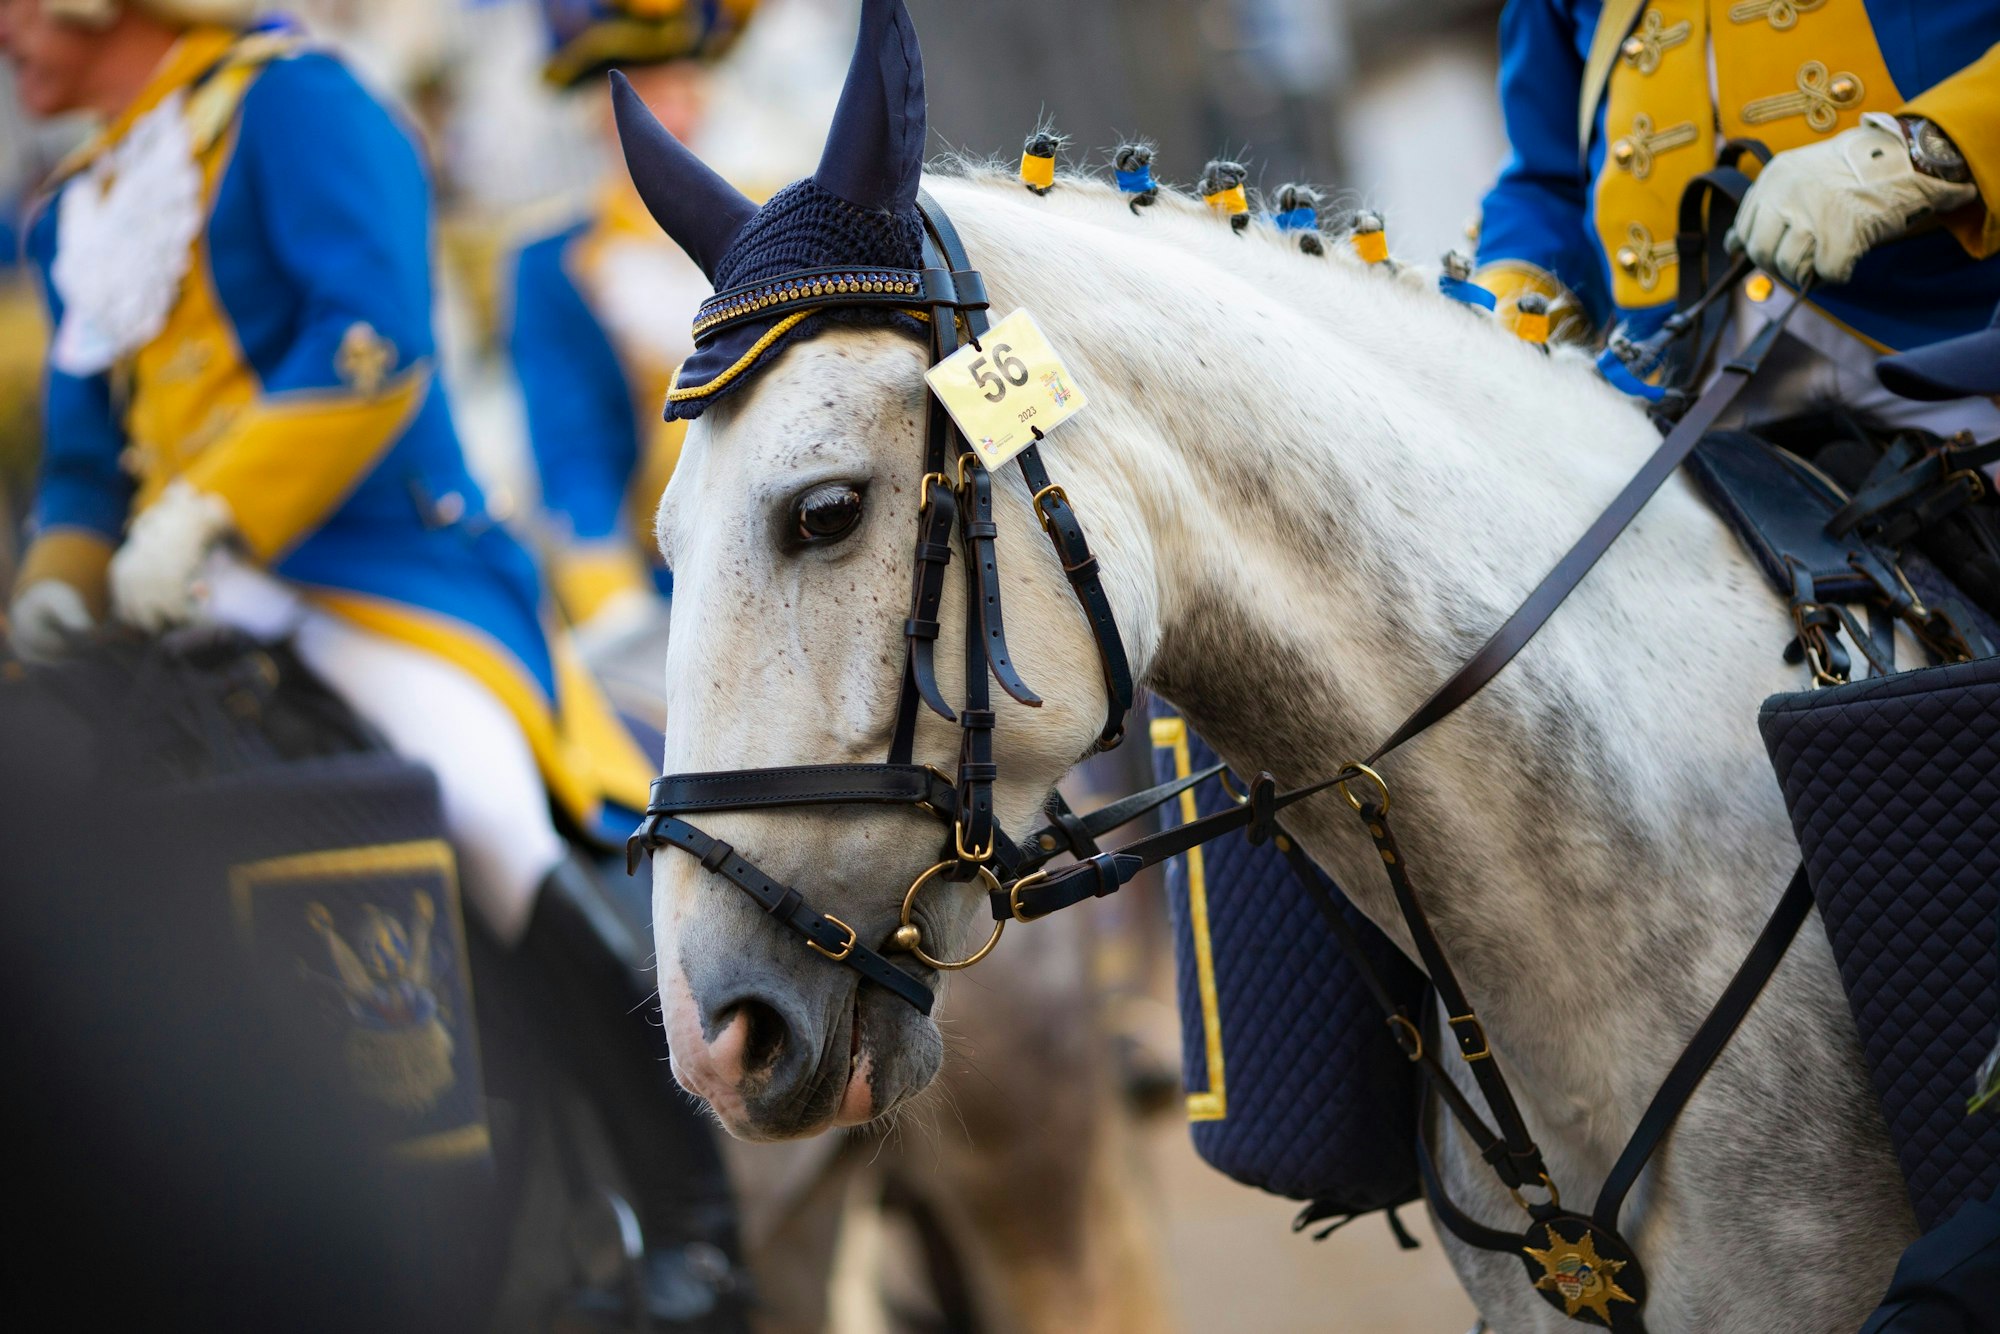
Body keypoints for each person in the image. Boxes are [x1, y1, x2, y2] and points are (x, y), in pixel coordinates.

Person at [0, 4, 745, 1326]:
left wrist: (212, 511)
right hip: (162, 607)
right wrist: (56, 589)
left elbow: (371, 344)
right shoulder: (78, 202)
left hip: (379, 585)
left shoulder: (298, 102)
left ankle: (683, 1216)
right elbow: (72, 464)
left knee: (491, 818)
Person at [1471, 1, 2000, 437]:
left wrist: (1919, 153)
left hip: (1950, 345)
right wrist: (1501, 323)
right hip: (1674, 386)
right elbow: (1553, 180)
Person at [509, 0, 756, 650]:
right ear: (601, 115)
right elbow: (572, 450)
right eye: (645, 94)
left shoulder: (776, 218)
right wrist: (613, 607)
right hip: (674, 583)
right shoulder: (556, 264)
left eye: (681, 87)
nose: (670, 115)